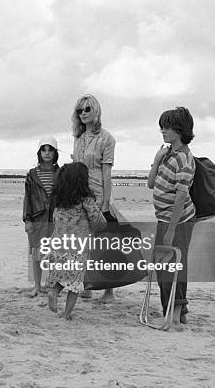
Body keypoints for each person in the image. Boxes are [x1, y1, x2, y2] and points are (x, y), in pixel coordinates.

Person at [147, 107, 196, 326]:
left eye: (166, 127)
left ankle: (174, 315)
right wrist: (157, 160)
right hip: (164, 219)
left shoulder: (184, 159)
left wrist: (172, 229)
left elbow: (180, 197)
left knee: (172, 266)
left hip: (177, 221)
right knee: (164, 266)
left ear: (179, 130)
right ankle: (178, 313)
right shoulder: (169, 154)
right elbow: (150, 184)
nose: (162, 131)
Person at [70, 94, 116, 302]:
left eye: (87, 109)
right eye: (80, 110)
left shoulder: (107, 138)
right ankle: (86, 284)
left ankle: (109, 290)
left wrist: (106, 202)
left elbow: (107, 172)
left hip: (98, 192)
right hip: (80, 192)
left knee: (104, 243)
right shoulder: (78, 138)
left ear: (95, 110)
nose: (83, 113)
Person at [46, 163, 106, 320]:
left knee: (62, 275)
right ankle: (67, 313)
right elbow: (99, 221)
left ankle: (54, 292)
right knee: (75, 282)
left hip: (57, 245)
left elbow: (54, 219)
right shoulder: (85, 200)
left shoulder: (58, 200)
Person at [23, 137, 60, 298]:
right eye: (44, 150)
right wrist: (27, 219)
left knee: (54, 255)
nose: (47, 153)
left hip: (55, 220)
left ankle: (51, 286)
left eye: (50, 149)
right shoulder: (32, 174)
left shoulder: (61, 173)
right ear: (39, 152)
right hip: (37, 219)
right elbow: (28, 198)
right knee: (37, 254)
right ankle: (37, 286)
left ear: (55, 152)